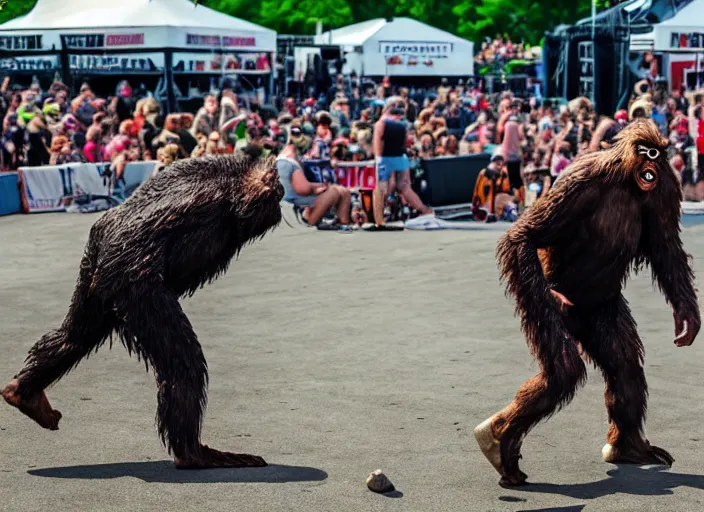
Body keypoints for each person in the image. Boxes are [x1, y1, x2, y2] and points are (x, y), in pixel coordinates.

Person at [276, 126, 353, 232]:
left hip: (289, 199)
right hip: (293, 202)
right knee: (334, 191)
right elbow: (303, 189)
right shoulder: (291, 162)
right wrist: (318, 188)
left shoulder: (281, 159)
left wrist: (319, 187)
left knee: (340, 190)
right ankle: (312, 220)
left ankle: (343, 222)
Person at [371, 97, 432, 229]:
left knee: (381, 188)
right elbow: (406, 141)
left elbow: (378, 141)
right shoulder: (404, 123)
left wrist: (378, 158)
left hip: (385, 158)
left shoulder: (381, 122)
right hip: (400, 157)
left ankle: (379, 220)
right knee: (404, 187)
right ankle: (425, 211)